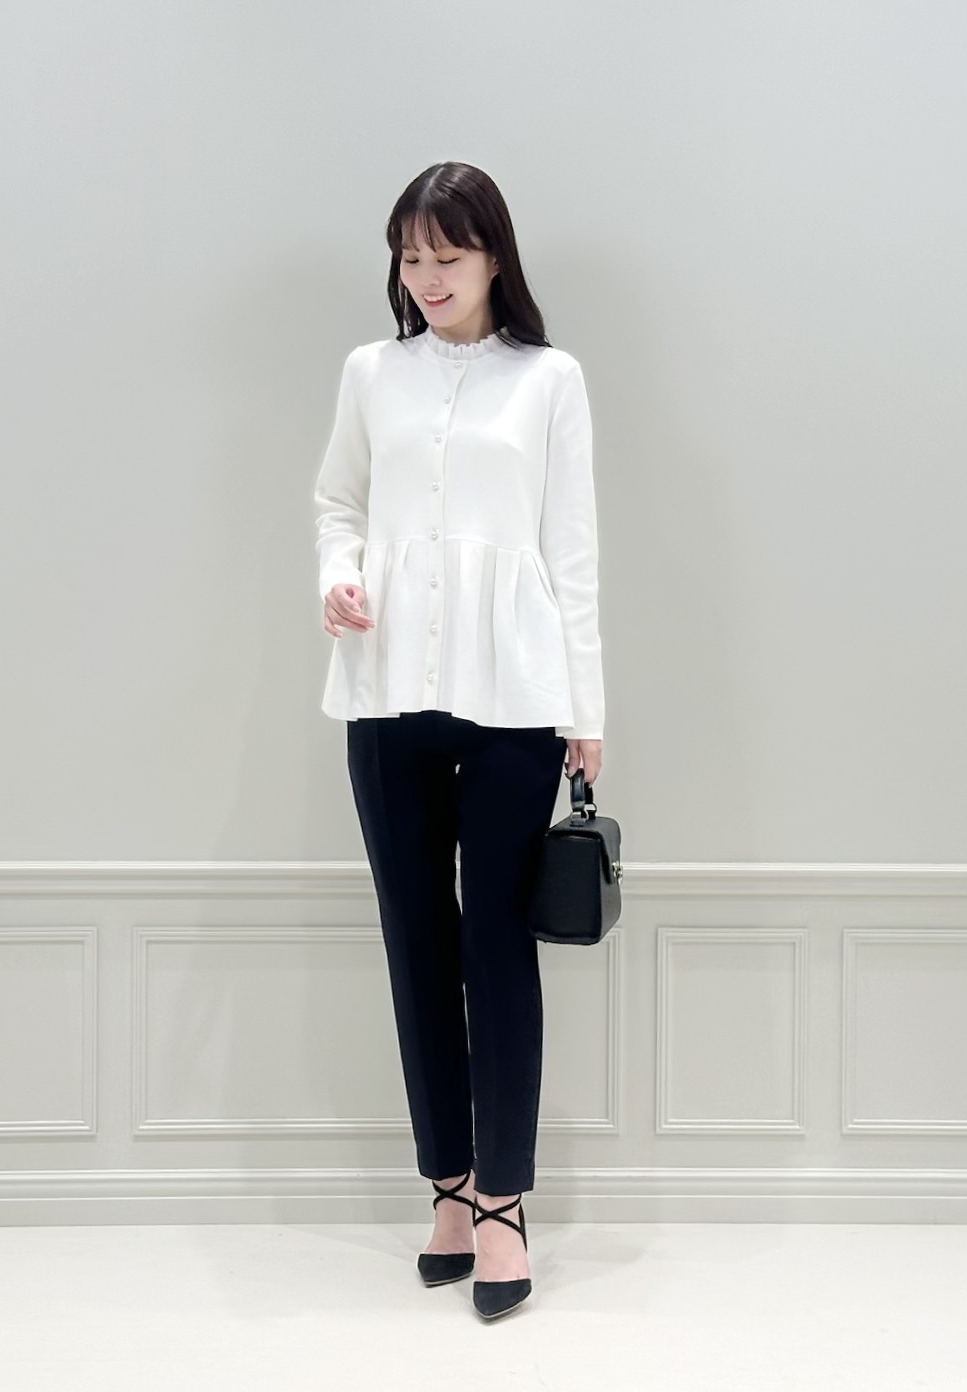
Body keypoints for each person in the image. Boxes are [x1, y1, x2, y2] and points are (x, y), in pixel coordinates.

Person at [311, 161, 605, 1321]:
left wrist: (586, 711)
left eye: (448, 255)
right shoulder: (369, 373)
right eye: (410, 257)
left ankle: (503, 1205)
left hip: (515, 702)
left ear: (493, 257)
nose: (426, 277)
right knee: (416, 948)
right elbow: (337, 501)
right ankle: (446, 1186)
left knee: (495, 948)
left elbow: (571, 549)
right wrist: (338, 576)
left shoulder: (549, 380)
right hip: (384, 692)